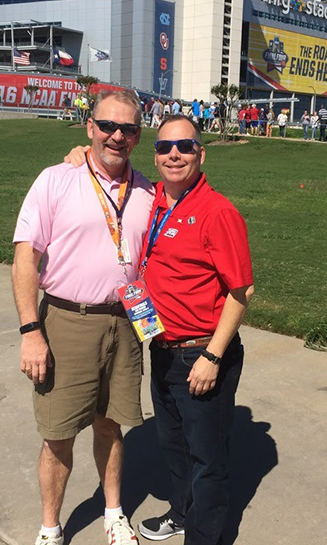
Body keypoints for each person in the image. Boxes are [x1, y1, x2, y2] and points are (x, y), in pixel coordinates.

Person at [63, 117, 254, 545]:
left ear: (200, 154)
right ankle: (183, 512)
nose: (174, 154)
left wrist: (212, 356)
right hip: (163, 347)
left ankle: (204, 536)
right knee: (174, 446)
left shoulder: (217, 211)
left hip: (202, 354)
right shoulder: (153, 198)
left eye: (185, 146)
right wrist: (80, 156)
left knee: (207, 459)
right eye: (166, 147)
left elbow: (242, 291)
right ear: (154, 154)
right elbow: (106, 172)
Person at [12, 90, 154, 545]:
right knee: (58, 435)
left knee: (111, 424)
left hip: (126, 322)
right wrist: (31, 331)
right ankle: (51, 528)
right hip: (68, 321)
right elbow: (25, 260)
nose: (117, 136)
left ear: (138, 135)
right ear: (89, 127)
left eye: (128, 129)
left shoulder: (149, 190)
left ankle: (114, 513)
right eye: (107, 126)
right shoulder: (57, 179)